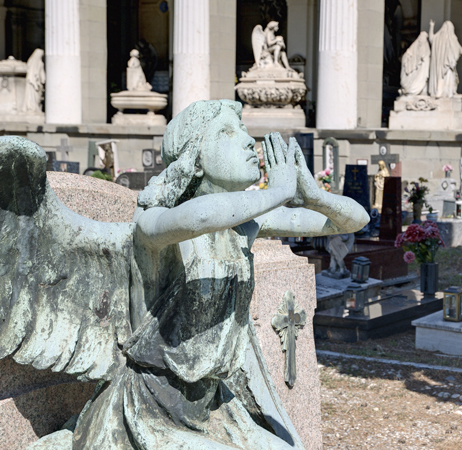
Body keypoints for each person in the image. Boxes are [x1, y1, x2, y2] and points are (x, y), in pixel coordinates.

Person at [14, 100, 369, 449]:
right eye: (227, 132)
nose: (249, 141)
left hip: (215, 408)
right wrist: (277, 193)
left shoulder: (244, 225)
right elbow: (200, 216)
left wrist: (315, 195)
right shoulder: (154, 225)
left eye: (244, 130)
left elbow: (354, 221)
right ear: (195, 161)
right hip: (150, 412)